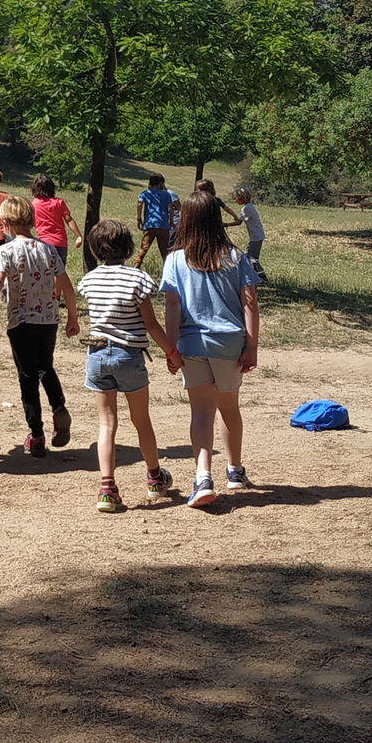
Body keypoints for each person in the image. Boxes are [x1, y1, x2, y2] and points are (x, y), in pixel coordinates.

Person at [159, 189, 263, 508]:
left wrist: (171, 349)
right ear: (217, 219)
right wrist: (252, 346)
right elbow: (250, 304)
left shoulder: (175, 260)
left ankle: (203, 476)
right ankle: (234, 470)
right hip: (229, 344)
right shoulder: (236, 257)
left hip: (191, 345)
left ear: (185, 221)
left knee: (201, 411)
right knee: (229, 408)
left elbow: (172, 306)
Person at [76, 219, 178, 513]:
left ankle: (107, 489)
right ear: (129, 246)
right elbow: (151, 324)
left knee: (106, 423)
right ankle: (155, 478)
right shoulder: (137, 278)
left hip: (97, 355)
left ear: (95, 249)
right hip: (128, 356)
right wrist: (172, 352)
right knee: (141, 420)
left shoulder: (90, 279)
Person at [0, 194, 79, 456]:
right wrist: (73, 317)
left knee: (27, 377)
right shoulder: (48, 249)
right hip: (48, 321)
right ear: (31, 221)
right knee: (45, 365)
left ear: (5, 223)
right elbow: (67, 286)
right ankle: (59, 407)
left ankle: (36, 435)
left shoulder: (5, 251)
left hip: (20, 322)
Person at [30, 175, 82, 264]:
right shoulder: (58, 202)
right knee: (60, 270)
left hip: (43, 243)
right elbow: (69, 220)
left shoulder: (33, 204)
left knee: (44, 270)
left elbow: (32, 223)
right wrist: (78, 235)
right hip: (60, 243)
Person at [134, 173, 180, 268]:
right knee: (164, 250)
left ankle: (136, 265)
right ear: (160, 183)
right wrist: (171, 221)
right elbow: (170, 208)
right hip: (163, 225)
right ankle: (167, 268)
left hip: (149, 225)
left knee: (144, 247)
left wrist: (139, 219)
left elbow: (139, 204)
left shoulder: (145, 193)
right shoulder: (166, 194)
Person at [234, 186, 268, 279]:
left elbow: (239, 222)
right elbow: (245, 218)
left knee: (252, 258)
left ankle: (260, 276)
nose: (236, 200)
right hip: (257, 235)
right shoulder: (250, 207)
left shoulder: (246, 208)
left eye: (238, 198)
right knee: (251, 256)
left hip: (256, 236)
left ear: (243, 198)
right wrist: (240, 218)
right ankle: (256, 276)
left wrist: (225, 224)